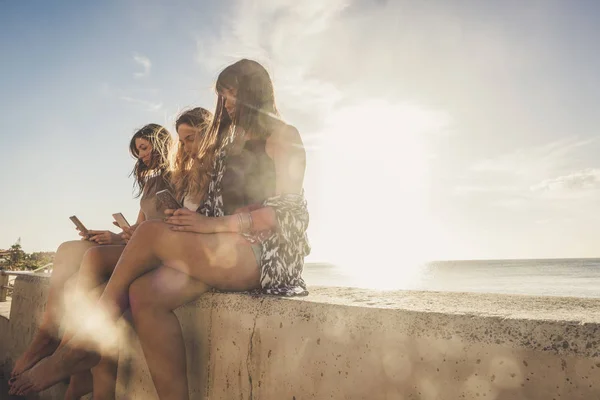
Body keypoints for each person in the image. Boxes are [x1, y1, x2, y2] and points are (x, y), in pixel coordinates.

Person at [9, 59, 311, 399]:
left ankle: (82, 345)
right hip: (224, 249)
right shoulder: (230, 141)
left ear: (256, 92)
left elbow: (290, 210)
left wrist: (210, 226)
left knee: (149, 233)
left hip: (263, 256)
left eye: (232, 96)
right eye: (224, 97)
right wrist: (189, 225)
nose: (226, 105)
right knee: (143, 295)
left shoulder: (284, 135)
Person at [9, 123, 174, 399]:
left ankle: (64, 349)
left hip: (161, 254)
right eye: (138, 152)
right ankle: (50, 334)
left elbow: (162, 231)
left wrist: (123, 239)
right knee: (67, 250)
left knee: (94, 260)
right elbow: (137, 232)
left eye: (144, 148)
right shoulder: (151, 183)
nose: (142, 156)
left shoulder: (181, 175)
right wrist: (112, 235)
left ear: (162, 143)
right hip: (138, 248)